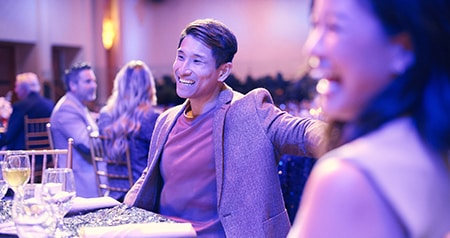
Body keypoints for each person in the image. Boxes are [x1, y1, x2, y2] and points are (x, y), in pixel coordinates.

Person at [124, 18, 325, 237]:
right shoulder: (166, 120)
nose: (183, 69)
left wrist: (354, 135)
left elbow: (302, 131)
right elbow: (149, 176)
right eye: (180, 57)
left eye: (197, 61)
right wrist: (121, 215)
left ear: (222, 72)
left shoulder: (249, 111)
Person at [288, 0, 450, 237]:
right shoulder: (433, 152)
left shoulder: (347, 178)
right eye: (315, 25)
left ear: (401, 48)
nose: (312, 48)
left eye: (334, 27)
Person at [97, 60, 161, 202]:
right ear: (148, 86)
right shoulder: (151, 118)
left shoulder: (105, 115)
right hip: (140, 196)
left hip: (112, 193)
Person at [50, 62, 99, 198]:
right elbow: (89, 145)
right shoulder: (67, 109)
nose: (94, 86)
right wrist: (107, 128)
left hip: (91, 174)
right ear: (73, 85)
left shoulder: (78, 105)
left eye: (94, 81)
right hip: (81, 183)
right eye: (88, 81)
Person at [0, 72, 54, 150]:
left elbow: (9, 135)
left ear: (24, 88)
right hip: (47, 154)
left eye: (16, 87)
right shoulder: (50, 104)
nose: (15, 90)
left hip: (25, 154)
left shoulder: (20, 106)